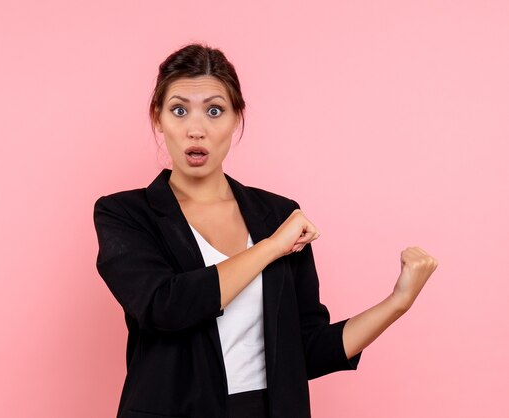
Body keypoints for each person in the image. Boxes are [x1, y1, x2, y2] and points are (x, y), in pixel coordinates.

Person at [93, 43, 438, 418]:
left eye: (214, 111)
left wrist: (398, 302)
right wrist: (271, 248)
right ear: (157, 119)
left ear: (236, 118)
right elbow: (165, 307)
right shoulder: (124, 213)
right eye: (179, 110)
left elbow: (305, 348)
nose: (196, 129)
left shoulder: (278, 214)